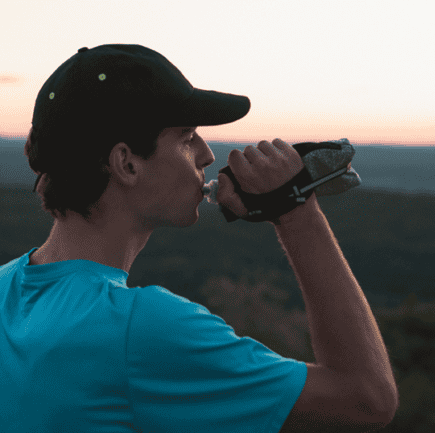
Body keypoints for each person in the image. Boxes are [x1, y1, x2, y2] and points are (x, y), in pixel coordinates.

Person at [0, 44, 398, 432]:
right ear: (127, 163)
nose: (207, 155)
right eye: (187, 137)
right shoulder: (139, 328)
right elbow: (366, 400)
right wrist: (295, 211)